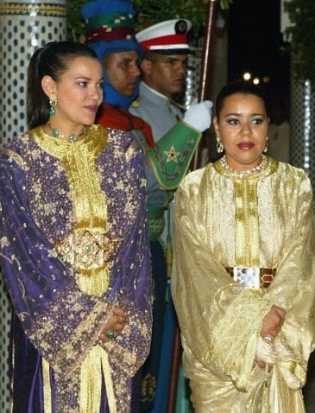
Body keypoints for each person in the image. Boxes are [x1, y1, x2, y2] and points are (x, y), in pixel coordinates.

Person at [0, 41, 152, 412]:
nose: (95, 95)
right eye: (82, 84)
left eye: (99, 85)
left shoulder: (123, 152)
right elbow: (25, 254)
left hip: (117, 324)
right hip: (52, 327)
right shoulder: (19, 161)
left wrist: (117, 314)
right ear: (50, 87)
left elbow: (135, 247)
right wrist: (87, 316)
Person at [80, 2, 213, 410]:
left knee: (152, 368)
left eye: (135, 62)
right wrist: (188, 129)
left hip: (152, 251)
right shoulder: (100, 124)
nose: (135, 72)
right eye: (125, 63)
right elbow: (148, 181)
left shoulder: (129, 120)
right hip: (116, 259)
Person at [171, 80, 315, 412]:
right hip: (216, 345)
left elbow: (303, 262)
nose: (246, 132)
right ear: (216, 127)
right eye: (233, 121)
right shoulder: (194, 189)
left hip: (280, 337)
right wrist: (249, 325)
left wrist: (272, 332)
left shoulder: (294, 184)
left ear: (268, 125)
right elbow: (195, 275)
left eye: (256, 120)